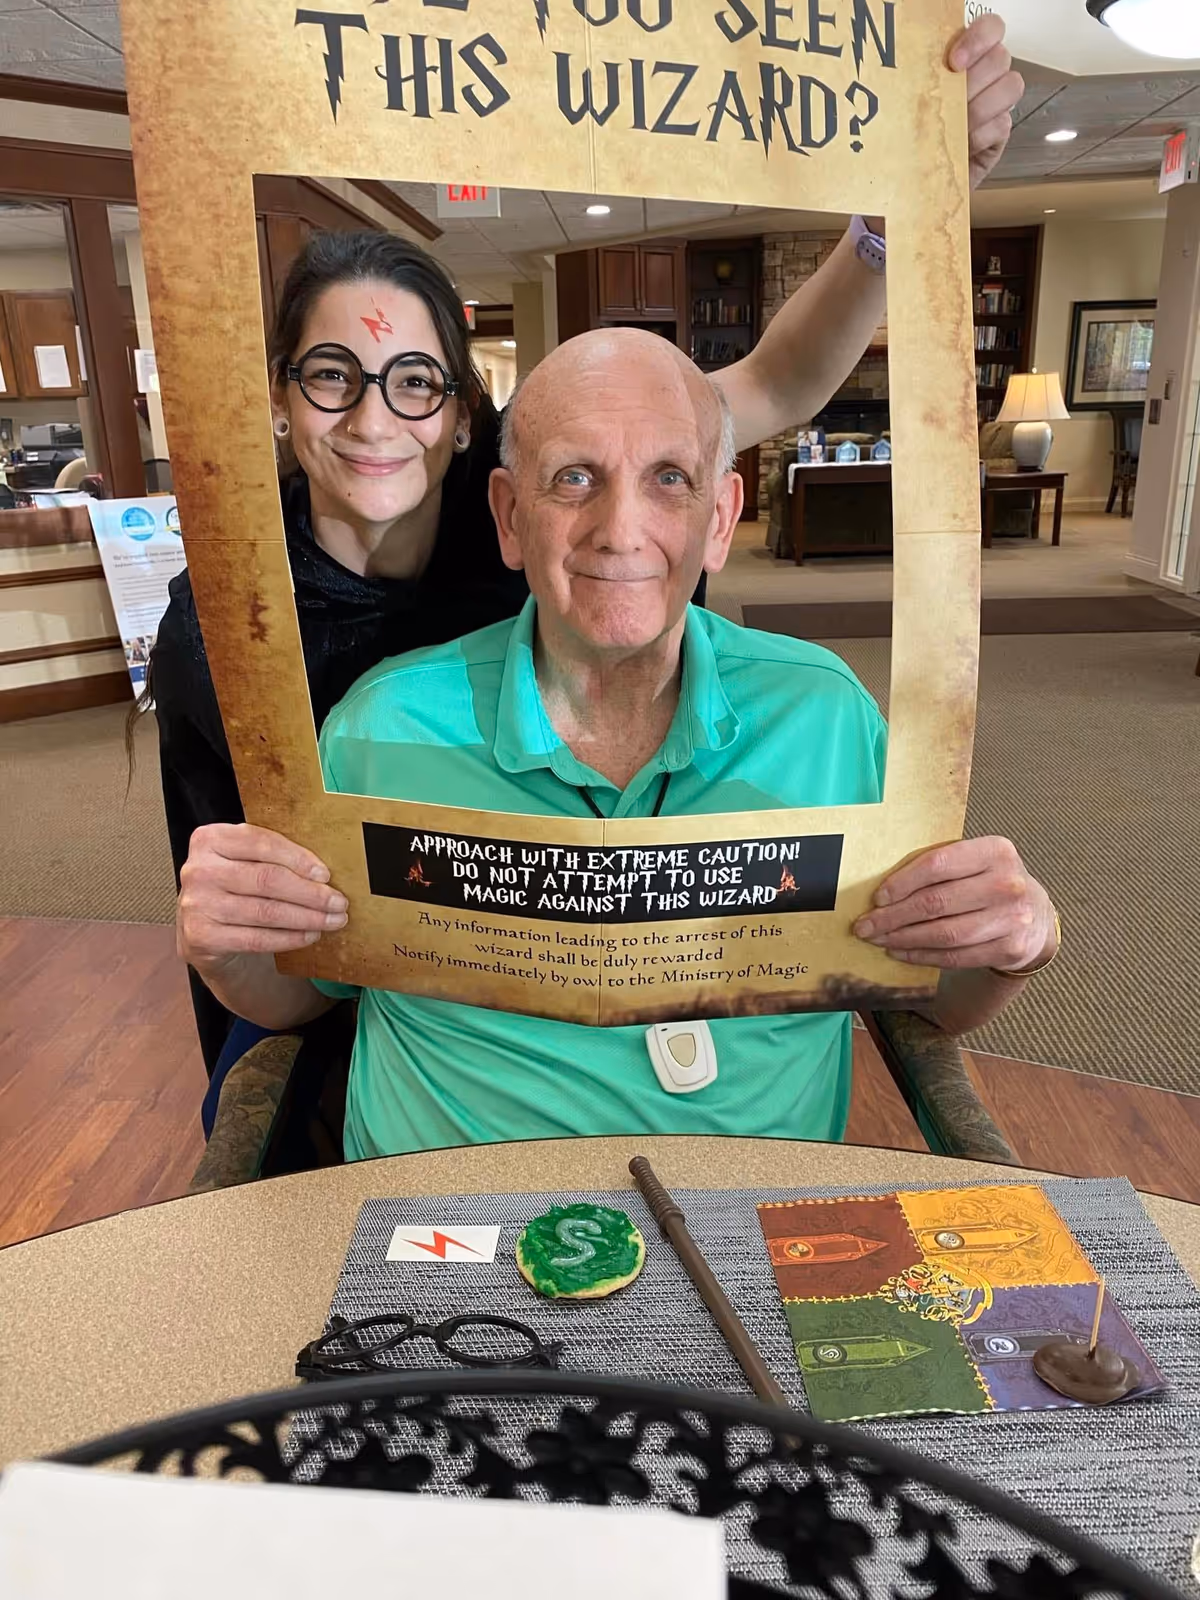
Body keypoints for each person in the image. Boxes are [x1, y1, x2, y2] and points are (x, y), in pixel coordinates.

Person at [154, 12, 1025, 1098]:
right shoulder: (225, 622)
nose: (374, 418)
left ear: (470, 423)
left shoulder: (548, 484)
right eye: (331, 375)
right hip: (372, 979)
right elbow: (266, 924)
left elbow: (770, 383)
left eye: (415, 381)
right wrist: (242, 945)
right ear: (281, 399)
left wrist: (903, 207)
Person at [176, 327, 1061, 1161]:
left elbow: (935, 998)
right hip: (446, 1229)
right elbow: (301, 996)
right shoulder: (384, 724)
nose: (621, 529)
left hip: (743, 1218)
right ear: (509, 517)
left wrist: (1013, 942)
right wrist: (233, 953)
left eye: (670, 478)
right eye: (573, 479)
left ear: (721, 519)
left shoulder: (823, 715)